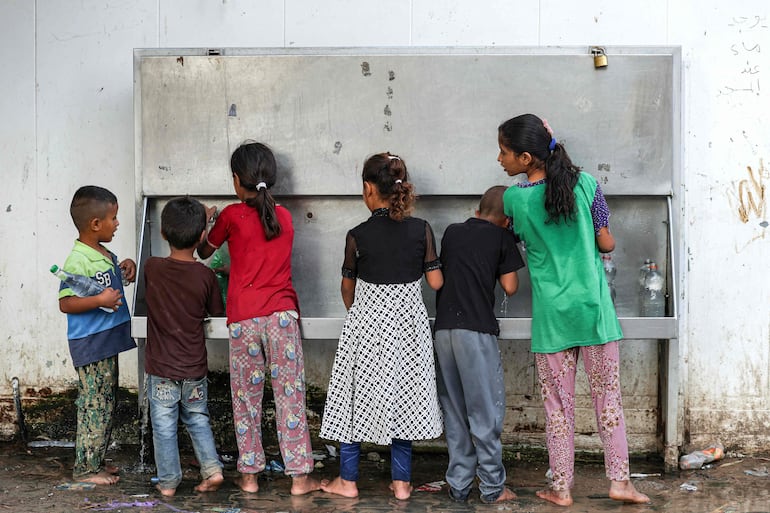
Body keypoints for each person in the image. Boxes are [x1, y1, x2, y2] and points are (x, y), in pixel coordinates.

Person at [497, 113, 650, 506]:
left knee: (558, 410)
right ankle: (619, 482)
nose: (500, 159)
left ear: (526, 158)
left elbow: (515, 236)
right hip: (595, 313)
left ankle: (561, 488)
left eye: (505, 152)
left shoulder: (513, 199)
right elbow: (607, 244)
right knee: (609, 403)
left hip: (553, 320)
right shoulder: (587, 185)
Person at [197, 141, 321, 496]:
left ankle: (249, 475)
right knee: (290, 395)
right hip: (281, 315)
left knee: (246, 397)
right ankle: (299, 477)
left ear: (237, 181)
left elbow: (205, 251)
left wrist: (208, 220)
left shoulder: (230, 218)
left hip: (243, 318)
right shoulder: (283, 216)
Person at [319, 152, 444, 501]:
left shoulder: (357, 235)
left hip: (367, 324)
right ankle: (402, 484)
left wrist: (361, 313)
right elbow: (435, 281)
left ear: (368, 188)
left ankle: (348, 480)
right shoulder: (421, 229)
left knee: (352, 396)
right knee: (402, 396)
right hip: (408, 326)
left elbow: (348, 288)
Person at [433, 185, 524, 504]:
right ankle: (492, 488)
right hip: (476, 332)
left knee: (454, 411)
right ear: (507, 220)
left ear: (477, 211)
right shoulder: (502, 236)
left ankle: (458, 485)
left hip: (443, 332)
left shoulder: (453, 233)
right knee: (485, 413)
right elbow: (510, 287)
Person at [143, 196, 225, 497]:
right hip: (193, 367)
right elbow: (216, 312)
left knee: (164, 426)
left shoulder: (152, 268)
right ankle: (212, 469)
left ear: (163, 233)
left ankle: (168, 483)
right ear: (202, 236)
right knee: (197, 418)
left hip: (162, 368)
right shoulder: (205, 276)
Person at [57, 185, 137, 485]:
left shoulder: (101, 253)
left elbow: (109, 278)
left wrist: (125, 266)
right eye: (113, 218)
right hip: (92, 345)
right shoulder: (78, 260)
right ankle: (85, 470)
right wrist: (99, 301)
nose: (117, 224)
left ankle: (95, 460)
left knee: (105, 403)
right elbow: (66, 302)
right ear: (95, 224)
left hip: (105, 342)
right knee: (95, 405)